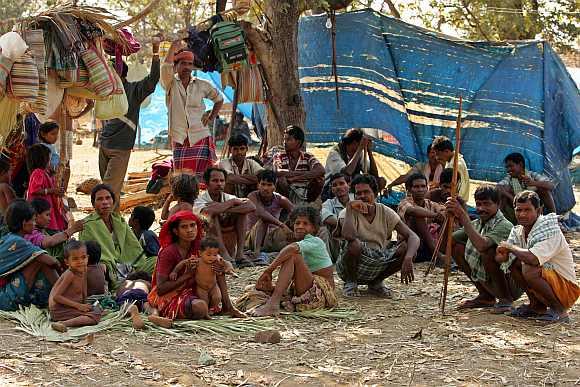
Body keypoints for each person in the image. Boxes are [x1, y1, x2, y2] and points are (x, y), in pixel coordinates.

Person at [497, 191, 579, 323]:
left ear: (539, 210)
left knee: (529, 267)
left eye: (528, 210)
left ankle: (560, 311)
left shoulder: (549, 229)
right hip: (551, 281)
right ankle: (536, 305)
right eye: (519, 210)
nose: (522, 214)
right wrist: (502, 253)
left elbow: (533, 259)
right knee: (514, 263)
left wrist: (510, 248)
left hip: (567, 289)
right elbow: (501, 259)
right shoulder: (518, 230)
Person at [147, 211, 244, 323]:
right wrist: (188, 275)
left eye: (192, 225)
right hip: (172, 295)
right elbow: (161, 289)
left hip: (195, 290)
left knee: (216, 265)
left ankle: (228, 307)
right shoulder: (168, 252)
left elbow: (220, 259)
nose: (190, 230)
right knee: (200, 307)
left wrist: (226, 265)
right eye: (184, 227)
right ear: (176, 231)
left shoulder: (199, 246)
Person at [99, 36, 161, 208]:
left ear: (120, 72)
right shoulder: (105, 90)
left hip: (120, 147)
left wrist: (156, 51)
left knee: (108, 192)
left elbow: (154, 78)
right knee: (109, 192)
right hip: (104, 144)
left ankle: (108, 229)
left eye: (111, 72)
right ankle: (113, 226)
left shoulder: (134, 90)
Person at [337, 174, 420, 297]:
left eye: (366, 192)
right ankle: (351, 283)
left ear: (375, 194)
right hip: (351, 265)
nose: (362, 196)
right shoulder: (347, 212)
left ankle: (376, 283)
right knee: (354, 244)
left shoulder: (385, 211)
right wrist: (349, 208)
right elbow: (349, 236)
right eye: (358, 193)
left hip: (377, 262)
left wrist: (408, 258)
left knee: (408, 249)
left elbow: (413, 236)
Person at [250, 207, 337, 317]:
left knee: (293, 256)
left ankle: (273, 304)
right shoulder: (302, 244)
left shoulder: (315, 241)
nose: (300, 226)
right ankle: (286, 301)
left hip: (321, 296)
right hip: (309, 292)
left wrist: (268, 271)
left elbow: (291, 250)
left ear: (314, 228)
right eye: (297, 223)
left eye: (305, 224)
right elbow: (293, 276)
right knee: (258, 291)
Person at [446, 185, 520, 312]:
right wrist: (450, 217)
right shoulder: (478, 223)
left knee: (489, 251)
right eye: (478, 204)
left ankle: (505, 300)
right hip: (490, 280)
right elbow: (449, 241)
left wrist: (463, 216)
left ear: (498, 204)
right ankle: (486, 296)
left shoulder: (504, 225)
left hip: (512, 283)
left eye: (486, 204)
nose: (481, 208)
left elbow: (482, 245)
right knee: (457, 247)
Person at [161, 40, 224, 178]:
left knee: (205, 178)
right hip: (179, 137)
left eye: (190, 64)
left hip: (200, 135)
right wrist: (172, 48)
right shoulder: (170, 83)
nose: (187, 67)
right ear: (176, 66)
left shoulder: (202, 84)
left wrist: (211, 117)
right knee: (182, 179)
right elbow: (165, 67)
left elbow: (219, 99)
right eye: (183, 63)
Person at [78, 184, 144, 289]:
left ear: (113, 201)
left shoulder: (119, 221)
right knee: (100, 269)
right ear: (93, 204)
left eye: (108, 198)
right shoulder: (87, 224)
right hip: (106, 267)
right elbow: (88, 255)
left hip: (126, 262)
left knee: (154, 260)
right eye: (100, 199)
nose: (105, 202)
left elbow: (133, 246)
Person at [0, 200, 59, 311]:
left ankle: (59, 294)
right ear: (24, 223)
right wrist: (61, 268)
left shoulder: (8, 237)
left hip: (5, 290)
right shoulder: (19, 242)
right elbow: (52, 261)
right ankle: (62, 295)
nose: (35, 223)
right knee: (40, 260)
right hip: (5, 298)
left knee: (37, 258)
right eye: (32, 220)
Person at [194, 168, 255, 264]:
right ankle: (224, 254)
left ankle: (240, 254)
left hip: (226, 234)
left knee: (241, 214)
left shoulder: (229, 197)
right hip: (207, 237)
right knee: (212, 217)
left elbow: (251, 206)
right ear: (206, 183)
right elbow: (207, 213)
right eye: (215, 181)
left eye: (222, 181)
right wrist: (230, 204)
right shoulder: (199, 200)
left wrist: (226, 207)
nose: (219, 184)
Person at [49, 240, 102, 332]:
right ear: (67, 262)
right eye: (75, 259)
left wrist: (84, 304)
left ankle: (72, 318)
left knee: (97, 309)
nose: (80, 261)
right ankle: (63, 323)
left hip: (72, 307)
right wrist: (78, 306)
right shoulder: (70, 274)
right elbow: (56, 297)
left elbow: (83, 287)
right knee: (95, 316)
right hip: (59, 310)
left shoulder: (84, 270)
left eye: (83, 257)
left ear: (88, 258)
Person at [169, 237, 225, 318]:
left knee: (217, 298)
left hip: (213, 286)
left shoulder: (216, 261)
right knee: (204, 301)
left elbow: (225, 264)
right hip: (201, 288)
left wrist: (227, 268)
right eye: (208, 255)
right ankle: (206, 314)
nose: (212, 257)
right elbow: (183, 262)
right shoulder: (197, 261)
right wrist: (174, 271)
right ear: (200, 253)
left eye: (215, 255)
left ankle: (212, 309)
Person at [324, 128, 385, 200]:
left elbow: (374, 174)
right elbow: (347, 173)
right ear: (353, 143)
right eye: (358, 144)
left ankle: (370, 201)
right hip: (334, 187)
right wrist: (359, 150)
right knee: (344, 182)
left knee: (380, 181)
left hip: (351, 184)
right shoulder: (335, 153)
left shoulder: (359, 153)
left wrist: (369, 152)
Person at [397, 173, 445, 261]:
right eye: (416, 187)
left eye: (423, 186)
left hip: (425, 245)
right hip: (410, 246)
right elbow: (413, 210)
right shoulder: (404, 203)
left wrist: (443, 214)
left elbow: (443, 211)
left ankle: (440, 252)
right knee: (418, 216)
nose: (420, 190)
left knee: (445, 219)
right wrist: (435, 215)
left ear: (427, 188)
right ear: (409, 189)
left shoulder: (430, 204)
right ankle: (437, 255)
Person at [271, 125, 325, 205]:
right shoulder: (279, 155)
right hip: (287, 191)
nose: (285, 142)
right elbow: (277, 171)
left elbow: (321, 170)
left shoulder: (307, 156)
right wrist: (306, 173)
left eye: (288, 139)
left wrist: (295, 178)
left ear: (298, 142)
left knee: (320, 179)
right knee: (281, 180)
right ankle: (288, 205)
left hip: (306, 190)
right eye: (284, 139)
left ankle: (308, 204)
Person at [246, 170, 294, 256]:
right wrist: (282, 225)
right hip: (252, 237)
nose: (265, 188)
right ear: (258, 185)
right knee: (264, 220)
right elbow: (260, 213)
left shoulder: (280, 199)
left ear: (274, 187)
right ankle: (257, 253)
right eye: (263, 184)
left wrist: (290, 224)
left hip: (272, 236)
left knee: (296, 226)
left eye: (269, 185)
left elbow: (296, 212)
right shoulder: (252, 196)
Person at [497, 152, 556, 221]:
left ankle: (554, 218)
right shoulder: (509, 179)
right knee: (504, 191)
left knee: (544, 190)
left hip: (534, 207)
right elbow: (498, 187)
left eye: (511, 166)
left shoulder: (532, 175)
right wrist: (512, 198)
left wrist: (533, 183)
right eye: (507, 167)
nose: (508, 170)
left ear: (520, 165)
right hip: (516, 207)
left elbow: (551, 185)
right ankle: (497, 220)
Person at [25, 144, 67, 231]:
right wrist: (52, 191)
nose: (50, 162)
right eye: (49, 159)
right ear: (43, 160)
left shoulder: (43, 173)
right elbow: (35, 189)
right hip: (41, 209)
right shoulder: (38, 172)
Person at [320, 173, 353, 263]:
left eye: (341, 183)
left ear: (349, 185)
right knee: (323, 230)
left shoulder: (357, 199)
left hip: (356, 243)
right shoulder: (328, 203)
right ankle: (326, 264)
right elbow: (326, 217)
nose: (338, 187)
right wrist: (347, 226)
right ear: (332, 190)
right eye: (334, 185)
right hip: (337, 245)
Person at [219, 134, 264, 198]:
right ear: (230, 150)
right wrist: (253, 179)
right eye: (235, 149)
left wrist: (237, 177)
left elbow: (263, 176)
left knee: (259, 184)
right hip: (230, 198)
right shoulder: (224, 163)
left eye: (242, 149)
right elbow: (230, 178)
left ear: (247, 149)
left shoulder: (251, 162)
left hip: (249, 197)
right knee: (228, 183)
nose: (239, 152)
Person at [431, 136, 470, 202]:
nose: (437, 157)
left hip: (456, 201)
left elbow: (458, 188)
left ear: (446, 151)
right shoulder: (455, 159)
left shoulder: (455, 165)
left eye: (438, 154)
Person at [129, 206, 161, 272]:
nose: (129, 218)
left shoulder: (148, 236)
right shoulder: (131, 233)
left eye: (131, 215)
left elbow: (156, 258)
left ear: (136, 221)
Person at [0, 153, 16, 220]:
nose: (10, 176)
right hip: (8, 221)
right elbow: (14, 206)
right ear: (3, 173)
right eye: (9, 172)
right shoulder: (4, 187)